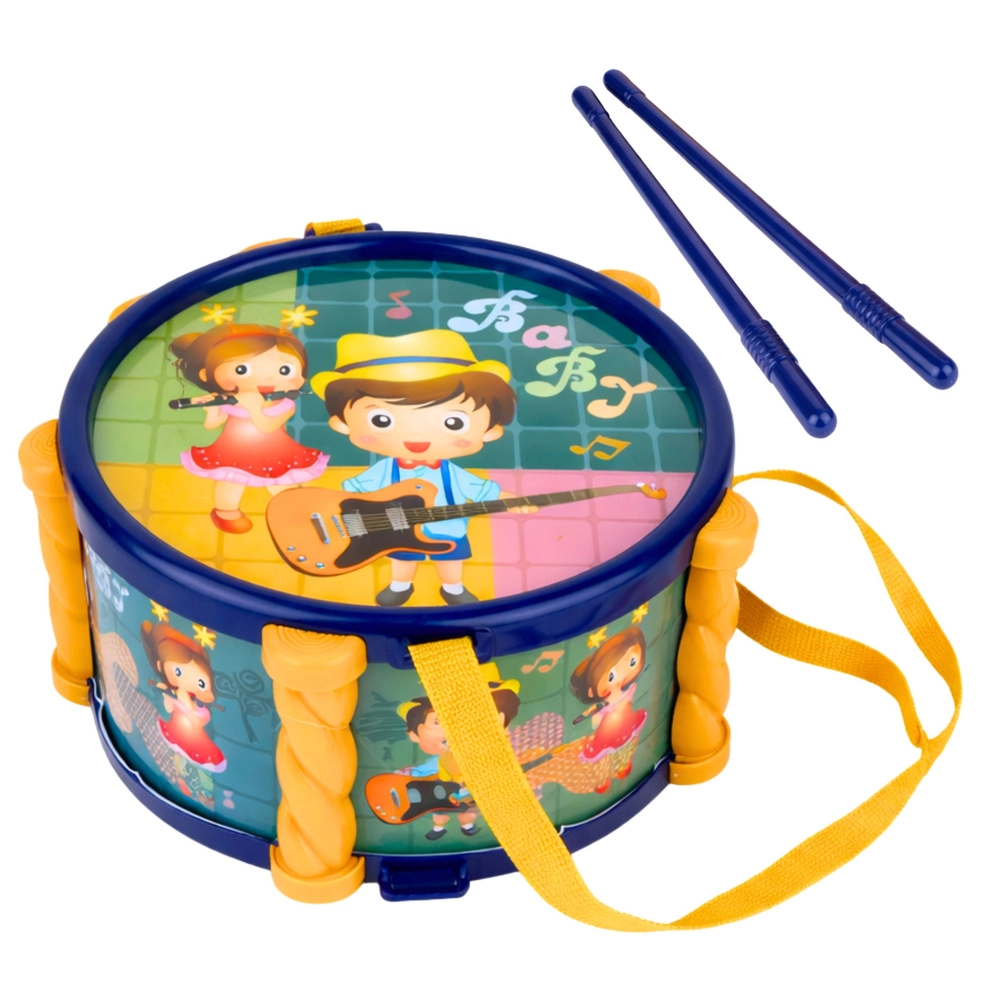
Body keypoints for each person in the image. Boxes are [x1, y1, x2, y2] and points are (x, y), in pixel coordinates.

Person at [313, 329, 531, 606]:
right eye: (381, 420)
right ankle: (400, 585)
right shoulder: (385, 470)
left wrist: (508, 499)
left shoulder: (451, 473)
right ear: (342, 423)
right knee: (402, 560)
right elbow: (351, 493)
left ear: (490, 430)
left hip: (448, 528)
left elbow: (480, 489)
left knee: (451, 561)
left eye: (454, 422)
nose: (417, 435)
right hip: (395, 531)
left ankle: (453, 589)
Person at [170, 323, 328, 533]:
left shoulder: (285, 404)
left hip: (274, 452)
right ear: (206, 374)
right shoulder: (229, 400)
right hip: (232, 451)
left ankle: (295, 512)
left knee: (279, 483)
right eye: (241, 369)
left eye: (284, 370)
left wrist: (255, 408)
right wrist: (211, 408)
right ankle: (227, 513)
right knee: (230, 482)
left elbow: (267, 426)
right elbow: (211, 425)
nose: (268, 379)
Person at [397, 672, 520, 840]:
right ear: (413, 734)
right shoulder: (442, 761)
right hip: (446, 791)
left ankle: (466, 826)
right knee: (440, 812)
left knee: (468, 812)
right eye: (439, 721)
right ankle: (439, 827)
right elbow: (435, 773)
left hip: (468, 793)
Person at [569, 625, 647, 792]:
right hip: (607, 734)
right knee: (603, 755)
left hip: (627, 724)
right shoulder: (602, 706)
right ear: (591, 691)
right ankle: (602, 778)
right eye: (611, 676)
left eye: (632, 662)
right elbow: (595, 721)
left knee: (625, 746)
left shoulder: (628, 690)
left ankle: (622, 766)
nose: (621, 677)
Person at [141, 621, 226, 772]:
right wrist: (170, 698)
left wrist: (188, 706)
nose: (187, 682)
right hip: (175, 729)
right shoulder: (174, 692)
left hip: (196, 739)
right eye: (178, 672)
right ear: (160, 666)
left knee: (198, 754)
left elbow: (202, 719)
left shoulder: (198, 704)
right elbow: (167, 707)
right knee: (177, 750)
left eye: (201, 683)